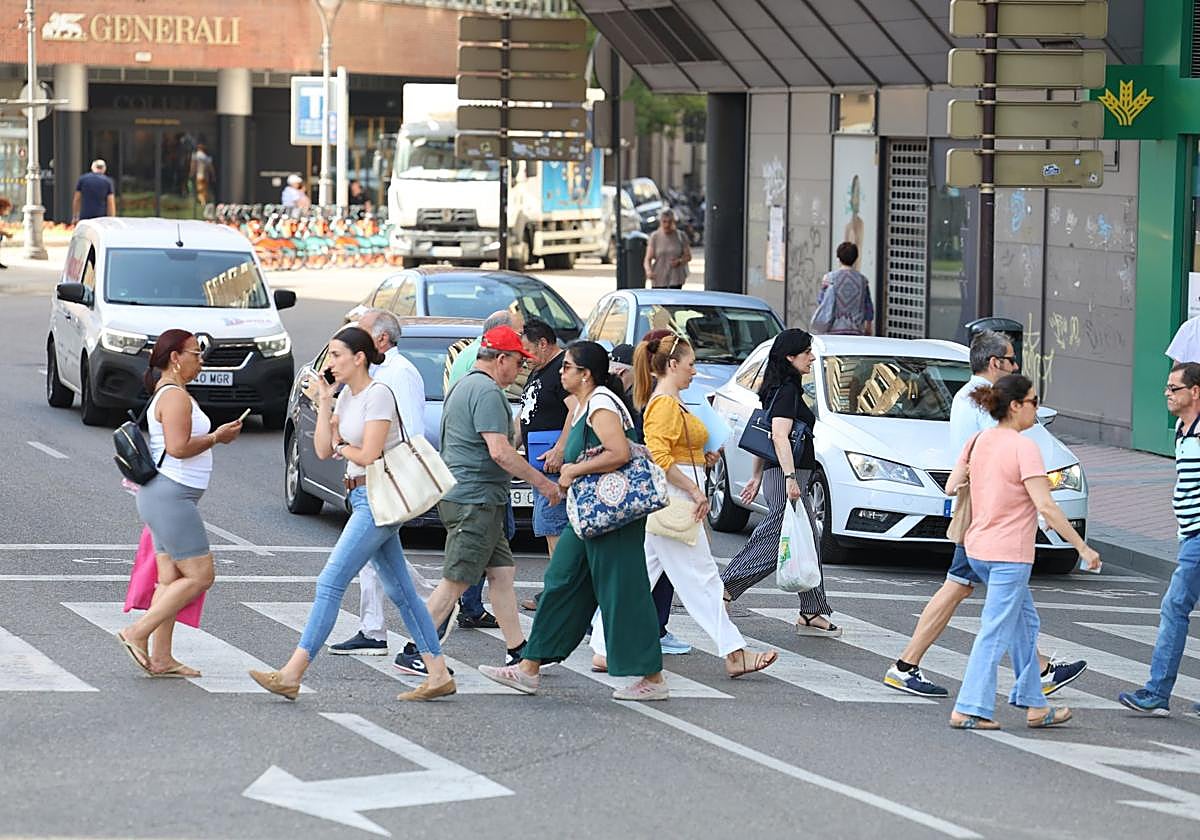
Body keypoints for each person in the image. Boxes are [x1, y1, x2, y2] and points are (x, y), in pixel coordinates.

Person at [249, 327, 454, 702]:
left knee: (330, 582)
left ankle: (292, 673)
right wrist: (325, 400)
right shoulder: (345, 398)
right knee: (402, 591)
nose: (330, 363)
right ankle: (437, 672)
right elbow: (324, 451)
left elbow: (370, 453)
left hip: (377, 500)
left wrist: (344, 443)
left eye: (337, 355)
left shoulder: (378, 395)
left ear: (360, 357)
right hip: (360, 497)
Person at [884, 330, 1087, 697]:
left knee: (997, 591)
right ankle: (908, 666)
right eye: (1011, 360)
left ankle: (1038, 672)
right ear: (996, 363)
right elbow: (999, 452)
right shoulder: (985, 401)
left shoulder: (967, 396)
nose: (1015, 366)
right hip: (988, 511)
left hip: (982, 507)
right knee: (967, 587)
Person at [478, 341, 669, 700]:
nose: (561, 372)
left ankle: (653, 679)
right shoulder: (584, 403)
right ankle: (529, 667)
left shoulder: (600, 405)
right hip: (590, 514)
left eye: (567, 367)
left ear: (586, 374)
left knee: (622, 591)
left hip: (613, 516)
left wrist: (573, 470)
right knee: (561, 580)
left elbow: (619, 452)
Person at [590, 332, 777, 678]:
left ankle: (603, 645)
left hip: (672, 499)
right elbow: (660, 456)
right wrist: (695, 489)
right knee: (702, 580)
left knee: (643, 578)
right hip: (675, 500)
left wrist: (700, 458)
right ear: (672, 365)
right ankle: (734, 653)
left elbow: (670, 450)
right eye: (690, 364)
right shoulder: (664, 402)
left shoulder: (669, 400)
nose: (695, 371)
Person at [946, 374, 1101, 729]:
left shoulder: (978, 441)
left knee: (1024, 625)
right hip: (1008, 556)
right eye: (1033, 401)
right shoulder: (1023, 448)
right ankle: (968, 708)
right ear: (1015, 406)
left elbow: (952, 486)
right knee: (994, 630)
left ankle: (1035, 704)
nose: (1037, 408)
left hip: (978, 549)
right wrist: (1081, 547)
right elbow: (1045, 505)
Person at [421, 326, 562, 668]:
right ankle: (415, 648)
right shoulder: (487, 392)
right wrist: (543, 483)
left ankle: (518, 650)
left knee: (502, 574)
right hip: (475, 500)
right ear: (501, 359)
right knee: (455, 582)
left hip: (477, 497)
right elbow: (500, 452)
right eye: (517, 361)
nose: (521, 370)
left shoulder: (463, 385)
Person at [328, 309, 456, 654]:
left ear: (381, 339)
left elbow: (409, 430)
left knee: (359, 568)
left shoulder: (399, 373)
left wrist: (381, 464)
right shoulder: (375, 374)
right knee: (381, 565)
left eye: (362, 333)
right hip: (366, 479)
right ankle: (383, 629)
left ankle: (423, 610)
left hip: (384, 481)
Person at [116, 330, 243, 677]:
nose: (200, 360)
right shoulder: (174, 397)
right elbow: (178, 448)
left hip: (163, 495)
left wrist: (216, 435)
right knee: (201, 576)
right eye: (195, 354)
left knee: (169, 579)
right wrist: (218, 436)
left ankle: (161, 658)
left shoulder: (173, 393)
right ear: (176, 357)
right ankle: (136, 632)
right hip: (171, 497)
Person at [720, 329, 840, 636]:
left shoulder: (778, 387)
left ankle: (812, 610)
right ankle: (724, 588)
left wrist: (758, 473)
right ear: (790, 357)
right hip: (789, 475)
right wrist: (788, 477)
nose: (812, 358)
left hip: (784, 474)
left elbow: (764, 434)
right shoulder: (786, 390)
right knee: (778, 539)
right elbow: (778, 436)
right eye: (806, 353)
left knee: (806, 539)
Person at [1118, 362, 1200, 716]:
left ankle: (1156, 692)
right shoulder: (1183, 431)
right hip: (1189, 535)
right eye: (1167, 388)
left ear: (1195, 391)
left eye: (1174, 388)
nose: (1167, 393)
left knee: (1174, 606)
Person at [609, 340, 690, 655]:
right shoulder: (647, 401)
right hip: (650, 493)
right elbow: (657, 452)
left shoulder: (640, 398)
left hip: (646, 492)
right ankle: (648, 627)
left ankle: (619, 627)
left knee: (652, 564)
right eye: (689, 365)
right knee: (657, 565)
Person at [518, 317, 574, 558]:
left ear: (543, 343)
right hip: (538, 463)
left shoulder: (562, 369)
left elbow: (576, 409)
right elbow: (526, 413)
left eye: (528, 351)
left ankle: (559, 593)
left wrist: (560, 449)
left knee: (555, 532)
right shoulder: (538, 371)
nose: (525, 358)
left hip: (552, 464)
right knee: (548, 530)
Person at [447, 305, 525, 389]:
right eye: (520, 335)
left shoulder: (477, 350)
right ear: (503, 331)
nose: (522, 340)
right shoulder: (483, 355)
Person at [812, 242, 874, 335]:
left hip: (833, 330)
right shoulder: (862, 281)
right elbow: (868, 307)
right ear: (855, 258)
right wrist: (868, 327)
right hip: (856, 331)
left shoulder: (829, 278)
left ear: (838, 258)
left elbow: (821, 301)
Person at [645, 208, 691, 289]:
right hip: (659, 278)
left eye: (670, 222)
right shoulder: (654, 237)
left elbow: (688, 256)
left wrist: (679, 261)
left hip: (676, 278)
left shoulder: (681, 236)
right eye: (664, 222)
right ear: (660, 222)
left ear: (674, 222)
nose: (667, 225)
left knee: (674, 300)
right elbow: (647, 259)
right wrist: (649, 271)